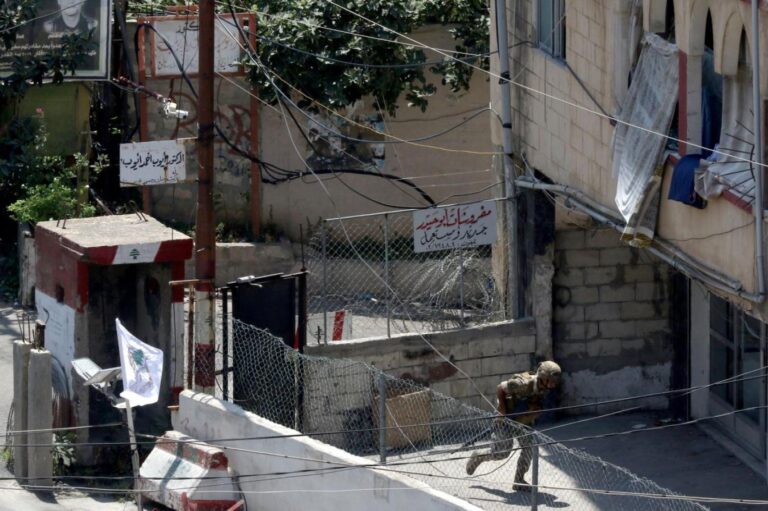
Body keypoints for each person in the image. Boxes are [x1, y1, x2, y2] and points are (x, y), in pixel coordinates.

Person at [465, 361, 561, 491]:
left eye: (555, 382)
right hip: (506, 418)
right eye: (551, 381)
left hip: (523, 420)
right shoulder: (523, 384)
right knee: (501, 453)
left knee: (529, 447)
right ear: (543, 378)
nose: (553, 385)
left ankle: (519, 480)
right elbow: (500, 388)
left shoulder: (545, 389)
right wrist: (502, 409)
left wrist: (534, 410)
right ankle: (479, 456)